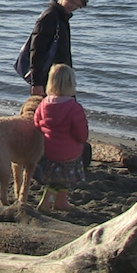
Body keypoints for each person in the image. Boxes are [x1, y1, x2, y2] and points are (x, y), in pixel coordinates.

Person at [33, 63, 88, 212]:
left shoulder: (44, 104)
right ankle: (47, 202)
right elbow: (81, 132)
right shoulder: (74, 107)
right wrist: (81, 142)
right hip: (69, 152)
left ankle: (60, 201)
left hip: (50, 149)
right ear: (71, 84)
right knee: (63, 178)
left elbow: (37, 123)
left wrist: (47, 132)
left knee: (57, 177)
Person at [28, 0, 89, 97]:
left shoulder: (62, 17)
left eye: (77, 6)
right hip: (51, 77)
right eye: (72, 2)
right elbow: (37, 50)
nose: (73, 7)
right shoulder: (50, 16)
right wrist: (37, 83)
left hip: (60, 76)